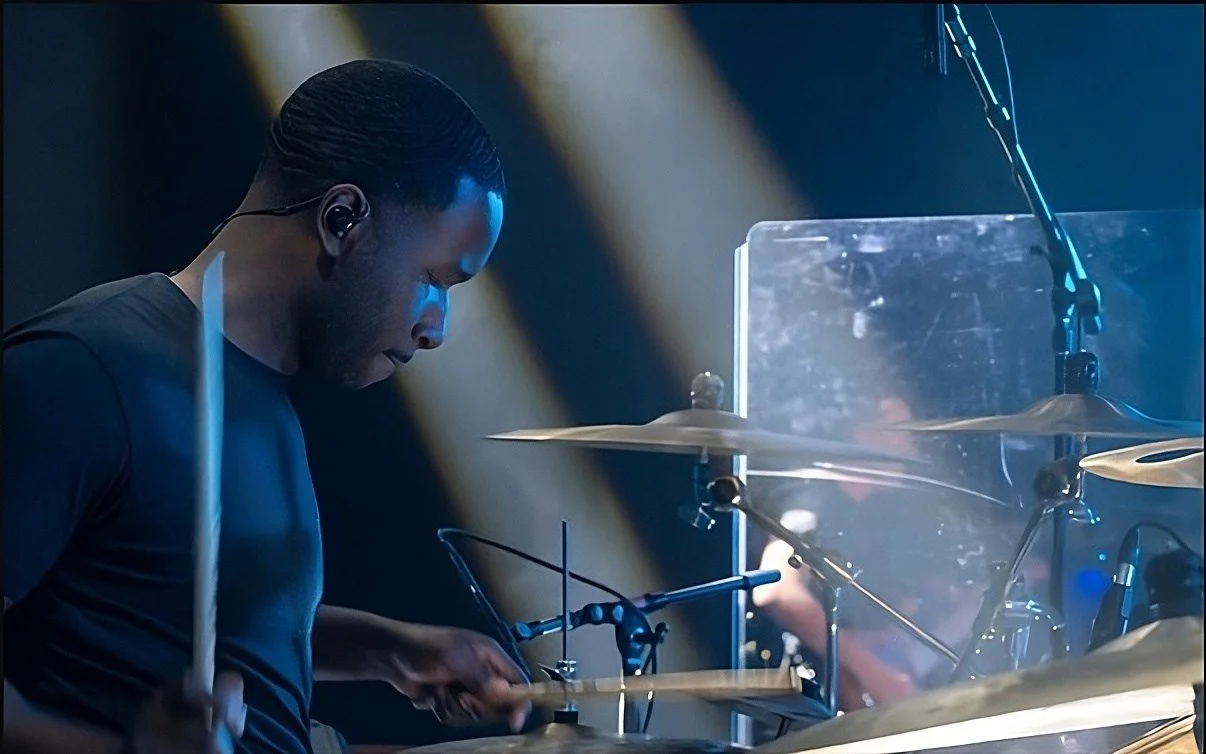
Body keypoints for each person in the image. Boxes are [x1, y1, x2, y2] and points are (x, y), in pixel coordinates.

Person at [3, 59, 529, 754]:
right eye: (435, 281)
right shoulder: (82, 370)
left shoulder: (257, 392)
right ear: (343, 219)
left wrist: (389, 649)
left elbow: (176, 610)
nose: (437, 328)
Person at [749, 396, 1037, 712]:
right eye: (903, 434)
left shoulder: (871, 513)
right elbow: (777, 592)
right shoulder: (812, 497)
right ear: (864, 434)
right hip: (810, 689)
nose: (911, 448)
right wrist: (877, 674)